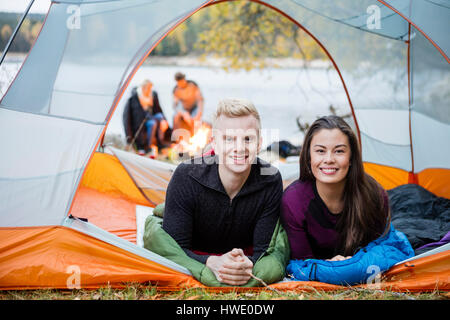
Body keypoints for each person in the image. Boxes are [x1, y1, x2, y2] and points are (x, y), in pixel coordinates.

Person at [162, 98, 283, 286]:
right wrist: (211, 262)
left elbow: (264, 251)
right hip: (198, 249)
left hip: (241, 254)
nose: (239, 148)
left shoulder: (270, 181)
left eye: (248, 139)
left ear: (259, 143)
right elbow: (173, 248)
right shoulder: (186, 176)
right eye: (229, 139)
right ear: (215, 144)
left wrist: (244, 263)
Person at [281, 115, 390, 262]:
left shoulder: (374, 195)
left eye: (339, 151)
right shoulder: (293, 201)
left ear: (351, 157)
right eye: (320, 151)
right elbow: (301, 263)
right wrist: (330, 266)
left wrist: (352, 264)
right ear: (308, 156)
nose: (329, 159)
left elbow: (380, 251)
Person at [123, 79, 167, 155]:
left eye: (151, 88)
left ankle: (160, 143)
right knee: (152, 123)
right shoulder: (135, 98)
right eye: (148, 88)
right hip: (141, 120)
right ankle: (149, 146)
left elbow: (158, 109)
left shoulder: (152, 95)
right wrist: (129, 138)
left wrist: (163, 120)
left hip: (150, 116)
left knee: (161, 118)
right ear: (143, 87)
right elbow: (127, 117)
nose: (150, 90)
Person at [172, 72, 204, 136]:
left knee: (196, 121)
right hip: (184, 110)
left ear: (184, 79)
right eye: (179, 83)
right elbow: (175, 106)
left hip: (195, 108)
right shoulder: (176, 90)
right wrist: (183, 113)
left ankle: (195, 137)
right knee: (175, 117)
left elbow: (200, 100)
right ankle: (177, 140)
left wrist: (199, 112)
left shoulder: (193, 85)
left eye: (182, 81)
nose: (181, 84)